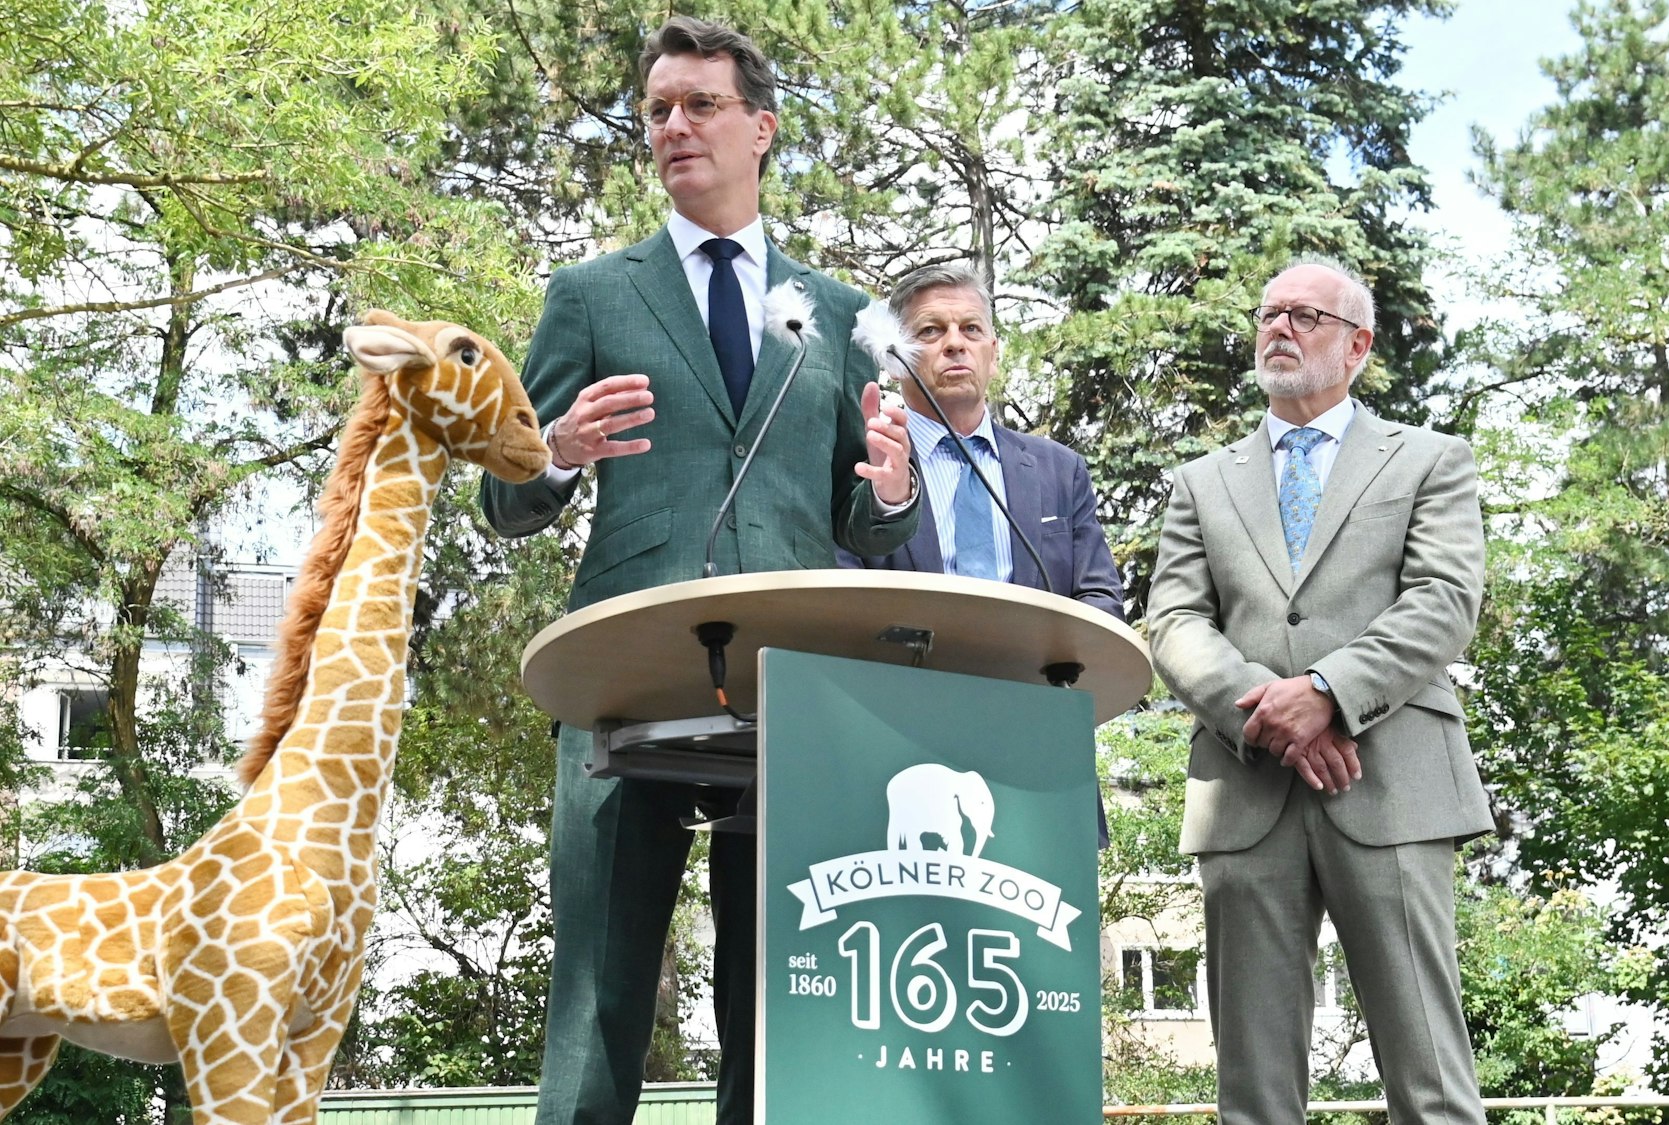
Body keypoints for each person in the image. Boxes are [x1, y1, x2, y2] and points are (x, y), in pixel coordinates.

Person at [478, 16, 918, 1125]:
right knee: (598, 997)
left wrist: (897, 489)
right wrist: (557, 453)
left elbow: (862, 527)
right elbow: (504, 499)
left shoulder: (837, 313)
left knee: (771, 1002)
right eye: (657, 111)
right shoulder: (590, 294)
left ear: (760, 129)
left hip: (790, 690)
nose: (673, 127)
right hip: (621, 680)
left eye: (699, 106)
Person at [1146, 260, 1491, 1123]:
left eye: (1304, 315)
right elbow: (1175, 623)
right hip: (1245, 786)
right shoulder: (1202, 481)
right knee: (1253, 1093)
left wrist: (1330, 691)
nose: (1279, 328)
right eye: (1269, 314)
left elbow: (1446, 601)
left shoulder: (1430, 460)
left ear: (1358, 345)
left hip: (1394, 786)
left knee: (1432, 1081)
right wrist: (1275, 712)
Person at [836, 262, 1124, 622]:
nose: (955, 343)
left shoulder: (1061, 471)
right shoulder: (861, 466)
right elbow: (840, 606)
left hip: (1032, 675)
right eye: (931, 330)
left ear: (994, 355)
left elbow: (1099, 598)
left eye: (971, 329)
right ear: (894, 362)